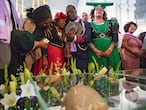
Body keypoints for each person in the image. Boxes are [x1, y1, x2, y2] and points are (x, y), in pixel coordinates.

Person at [87, 2, 121, 71]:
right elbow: (88, 40)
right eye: (97, 10)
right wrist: (96, 51)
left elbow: (115, 37)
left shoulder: (112, 23)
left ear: (104, 13)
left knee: (112, 75)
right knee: (96, 74)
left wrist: (109, 50)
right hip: (95, 53)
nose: (99, 11)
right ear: (93, 12)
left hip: (111, 52)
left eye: (101, 10)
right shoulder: (88, 25)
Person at [21, 5, 52, 75]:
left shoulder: (42, 27)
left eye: (47, 24)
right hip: (24, 57)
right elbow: (25, 42)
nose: (45, 25)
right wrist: (39, 44)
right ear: (39, 19)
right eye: (44, 23)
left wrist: (44, 57)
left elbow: (43, 40)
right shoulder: (29, 23)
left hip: (35, 59)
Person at [65, 5, 92, 72]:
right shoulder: (64, 24)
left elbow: (88, 37)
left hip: (81, 55)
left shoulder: (85, 24)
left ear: (76, 11)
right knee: (70, 79)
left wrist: (74, 38)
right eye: (68, 12)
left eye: (72, 11)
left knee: (82, 77)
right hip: (68, 56)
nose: (70, 14)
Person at [0, 0, 21, 84]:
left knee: (10, 70)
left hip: (12, 40)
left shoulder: (10, 2)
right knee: (3, 69)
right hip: (2, 39)